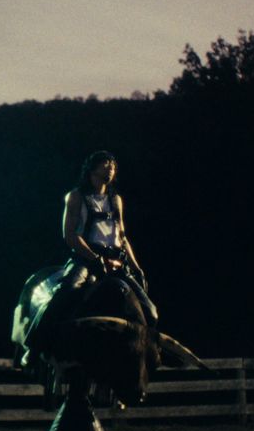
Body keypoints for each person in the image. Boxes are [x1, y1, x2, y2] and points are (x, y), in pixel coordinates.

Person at [13, 151, 159, 366]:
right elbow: (70, 235)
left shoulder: (115, 200)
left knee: (150, 310)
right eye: (105, 164)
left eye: (113, 166)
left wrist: (136, 267)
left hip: (116, 261)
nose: (110, 168)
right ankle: (34, 346)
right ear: (92, 169)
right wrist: (95, 258)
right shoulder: (76, 196)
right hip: (86, 259)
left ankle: (147, 354)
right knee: (65, 293)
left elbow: (122, 236)